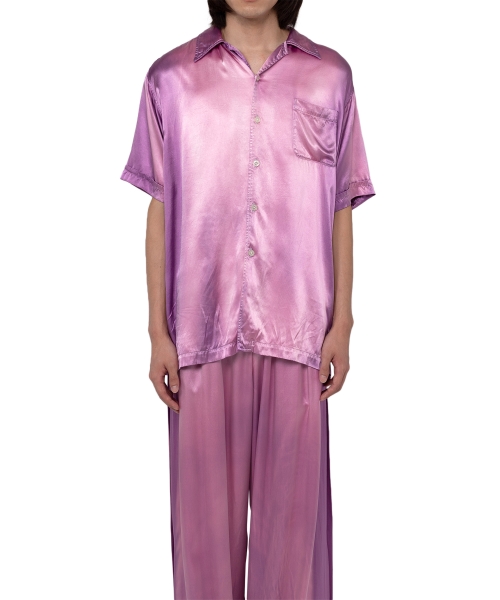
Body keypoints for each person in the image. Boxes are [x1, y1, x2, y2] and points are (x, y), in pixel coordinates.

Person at [120, 0, 375, 597]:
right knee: (202, 546)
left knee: (292, 552)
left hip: (300, 336)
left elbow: (341, 206)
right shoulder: (169, 79)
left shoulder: (331, 77)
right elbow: (159, 207)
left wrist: (343, 323)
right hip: (199, 338)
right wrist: (157, 332)